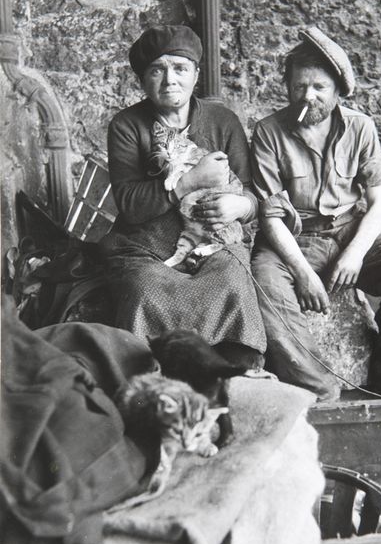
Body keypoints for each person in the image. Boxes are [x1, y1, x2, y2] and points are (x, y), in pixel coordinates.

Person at [250, 27, 381, 400]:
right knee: (263, 283)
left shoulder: (360, 127)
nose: (308, 96)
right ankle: (318, 388)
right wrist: (303, 274)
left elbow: (379, 202)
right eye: (300, 86)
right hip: (296, 237)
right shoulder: (269, 132)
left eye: (319, 87)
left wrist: (355, 254)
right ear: (287, 87)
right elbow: (270, 217)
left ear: (338, 91)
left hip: (350, 230)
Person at [99, 24, 265, 367]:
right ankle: (148, 376)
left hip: (214, 241)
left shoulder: (223, 121)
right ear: (142, 80)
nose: (169, 80)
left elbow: (252, 193)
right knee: (144, 288)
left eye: (180, 68)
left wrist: (241, 205)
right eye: (156, 70)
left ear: (196, 75)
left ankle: (235, 373)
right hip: (145, 248)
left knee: (233, 279)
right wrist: (188, 182)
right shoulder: (127, 125)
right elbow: (129, 205)